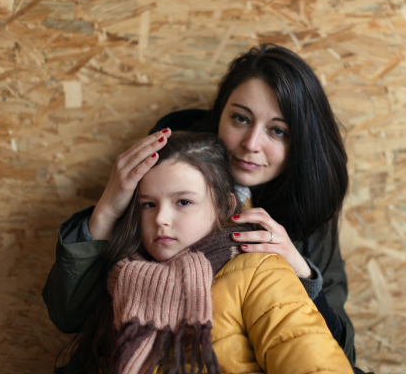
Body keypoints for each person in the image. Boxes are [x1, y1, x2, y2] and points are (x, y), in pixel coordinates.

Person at [43, 44, 356, 365]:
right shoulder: (162, 176)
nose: (251, 144)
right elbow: (67, 316)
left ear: (299, 142)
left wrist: (303, 273)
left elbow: (338, 354)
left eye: (277, 131)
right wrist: (107, 209)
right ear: (218, 115)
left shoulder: (307, 207)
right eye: (240, 118)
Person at [63, 132, 352, 374]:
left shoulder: (259, 272)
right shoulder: (124, 280)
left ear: (226, 207)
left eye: (183, 202)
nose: (161, 218)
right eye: (148, 204)